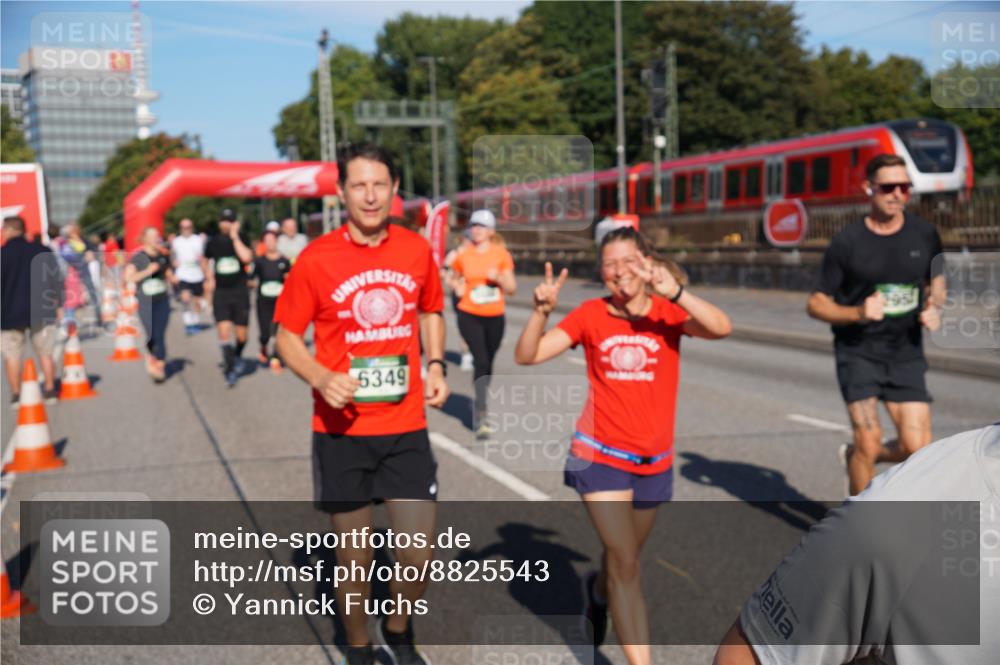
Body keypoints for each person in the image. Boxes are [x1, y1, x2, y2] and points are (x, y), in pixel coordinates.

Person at [514, 227, 731, 665]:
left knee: (623, 554)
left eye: (627, 261)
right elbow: (528, 355)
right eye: (609, 264)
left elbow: (721, 328)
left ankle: (596, 591)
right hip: (599, 454)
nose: (619, 272)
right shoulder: (591, 315)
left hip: (653, 462)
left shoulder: (667, 314)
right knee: (628, 563)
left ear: (645, 262)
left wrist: (678, 292)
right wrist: (539, 313)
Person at [275, 143, 448, 665]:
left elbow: (432, 311)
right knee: (355, 555)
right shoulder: (316, 258)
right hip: (341, 431)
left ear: (395, 189)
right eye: (359, 185)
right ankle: (358, 647)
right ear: (340, 192)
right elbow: (285, 336)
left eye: (380, 185)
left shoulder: (416, 250)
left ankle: (397, 628)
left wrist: (436, 363)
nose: (370, 196)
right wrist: (319, 374)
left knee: (417, 551)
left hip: (405, 425)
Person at [714, 423, 1000, 665]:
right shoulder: (891, 520)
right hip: (860, 358)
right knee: (867, 440)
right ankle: (859, 472)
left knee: (913, 442)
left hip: (901, 359)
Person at [806, 154, 945, 497]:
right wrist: (857, 313)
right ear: (869, 188)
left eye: (904, 187)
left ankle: (857, 457)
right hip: (858, 352)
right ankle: (859, 527)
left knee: (917, 447)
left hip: (905, 352)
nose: (897, 194)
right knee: (867, 438)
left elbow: (936, 280)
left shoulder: (924, 234)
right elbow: (816, 303)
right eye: (888, 187)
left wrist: (934, 306)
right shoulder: (848, 242)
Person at [448, 210, 516, 438]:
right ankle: (481, 412)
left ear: (491, 231)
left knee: (488, 364)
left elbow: (512, 288)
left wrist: (499, 278)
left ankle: (481, 396)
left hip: (495, 316)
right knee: (481, 359)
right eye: (474, 226)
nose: (476, 230)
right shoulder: (464, 255)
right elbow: (451, 276)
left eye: (482, 226)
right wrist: (456, 287)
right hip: (469, 313)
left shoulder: (501, 255)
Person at [1, 216, 62, 405]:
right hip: (41, 312)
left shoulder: (2, 254)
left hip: (8, 313)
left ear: (9, 230)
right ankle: (50, 390)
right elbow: (56, 280)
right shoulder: (42, 251)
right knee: (45, 352)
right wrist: (59, 303)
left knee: (12, 355)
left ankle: (17, 395)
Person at [204, 208, 254, 387]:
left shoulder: (243, 238)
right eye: (224, 221)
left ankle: (238, 355)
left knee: (242, 336)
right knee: (223, 330)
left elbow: (247, 258)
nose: (226, 224)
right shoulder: (213, 241)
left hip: (239, 292)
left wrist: (235, 237)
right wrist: (208, 277)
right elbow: (205, 258)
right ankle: (230, 369)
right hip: (221, 293)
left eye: (230, 221)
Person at [126, 227, 173, 382]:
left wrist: (175, 279)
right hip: (146, 301)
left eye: (157, 235)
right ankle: (151, 355)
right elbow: (129, 278)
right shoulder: (139, 258)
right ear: (144, 239)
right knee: (152, 334)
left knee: (160, 334)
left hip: (162, 299)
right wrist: (147, 271)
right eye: (152, 236)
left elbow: (168, 274)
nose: (156, 238)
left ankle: (159, 367)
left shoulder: (162, 255)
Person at [252, 229, 290, 370]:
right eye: (267, 241)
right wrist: (254, 283)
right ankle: (263, 346)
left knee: (278, 331)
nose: (270, 243)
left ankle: (276, 356)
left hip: (280, 301)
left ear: (276, 241)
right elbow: (250, 279)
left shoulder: (284, 261)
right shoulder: (260, 261)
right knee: (265, 334)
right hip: (263, 301)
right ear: (264, 243)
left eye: (272, 240)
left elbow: (290, 279)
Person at [171, 218, 207, 335]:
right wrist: (173, 264)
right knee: (185, 298)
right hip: (183, 273)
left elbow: (203, 258)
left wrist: (207, 275)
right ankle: (188, 323)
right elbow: (172, 256)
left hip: (196, 273)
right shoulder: (176, 241)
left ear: (192, 228)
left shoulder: (198, 240)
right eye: (183, 227)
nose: (186, 230)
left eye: (188, 227)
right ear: (180, 229)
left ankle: (195, 321)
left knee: (197, 301)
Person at [443, 233, 474, 371]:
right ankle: (466, 355)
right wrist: (454, 284)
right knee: (465, 324)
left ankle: (475, 351)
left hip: (475, 295)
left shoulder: (477, 253)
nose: (470, 241)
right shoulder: (454, 255)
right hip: (460, 295)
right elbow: (445, 273)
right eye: (468, 238)